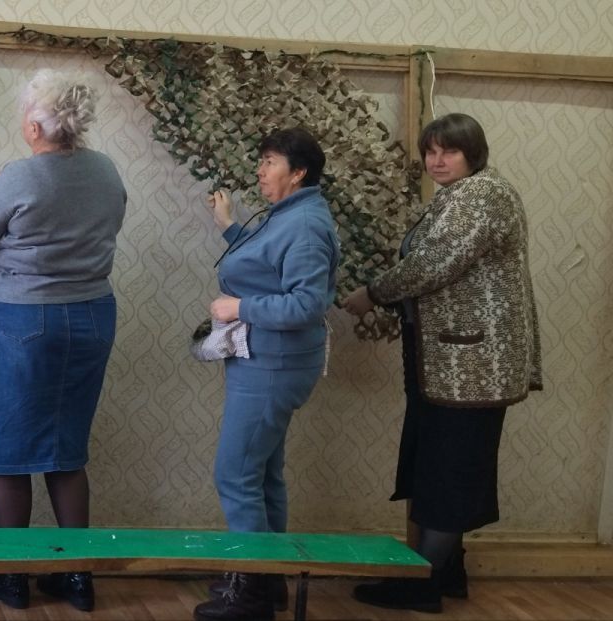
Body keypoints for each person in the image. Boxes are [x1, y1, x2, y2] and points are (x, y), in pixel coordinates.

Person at [344, 112, 542, 613]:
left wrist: (373, 293)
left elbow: (434, 264)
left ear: (473, 154)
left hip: (471, 366)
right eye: (430, 151)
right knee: (443, 465)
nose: (436, 160)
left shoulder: (481, 194)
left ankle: (423, 584)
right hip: (455, 363)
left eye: (448, 151)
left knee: (452, 469)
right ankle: (447, 572)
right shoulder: (460, 195)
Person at [0, 68, 127, 612]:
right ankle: (77, 577)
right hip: (93, 316)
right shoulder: (106, 170)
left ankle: (12, 577)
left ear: (34, 125)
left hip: (23, 320)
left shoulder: (19, 175)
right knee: (64, 447)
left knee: (8, 449)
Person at [194, 127, 340, 621]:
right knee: (262, 475)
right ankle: (268, 578)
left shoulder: (305, 225)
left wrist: (239, 306)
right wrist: (229, 226)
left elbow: (307, 303)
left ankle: (251, 592)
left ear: (298, 173)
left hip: (273, 365)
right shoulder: (288, 215)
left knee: (235, 473)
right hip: (266, 360)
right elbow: (266, 264)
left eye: (270, 161)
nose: (260, 170)